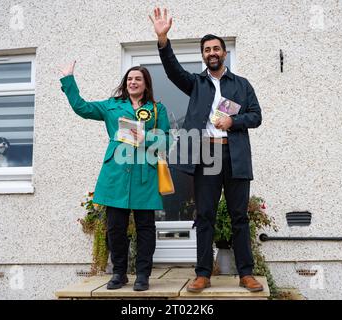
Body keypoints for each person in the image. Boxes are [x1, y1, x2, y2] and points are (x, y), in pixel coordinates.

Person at [149, 8, 264, 293]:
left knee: (239, 216)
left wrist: (233, 121)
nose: (211, 53)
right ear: (203, 56)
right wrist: (163, 40)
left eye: (216, 48)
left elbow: (256, 116)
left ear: (224, 53)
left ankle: (246, 274)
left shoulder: (242, 85)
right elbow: (172, 70)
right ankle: (202, 274)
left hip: (235, 155)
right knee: (205, 216)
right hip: (206, 157)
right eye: (207, 49)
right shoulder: (196, 83)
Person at [59, 62, 170, 291]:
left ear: (146, 83)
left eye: (138, 79)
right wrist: (69, 80)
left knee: (145, 227)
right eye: (130, 79)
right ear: (125, 83)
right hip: (116, 173)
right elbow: (81, 107)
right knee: (115, 227)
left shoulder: (157, 109)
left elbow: (167, 141)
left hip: (144, 173)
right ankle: (119, 273)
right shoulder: (111, 106)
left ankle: (142, 275)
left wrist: (144, 138)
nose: (133, 82)